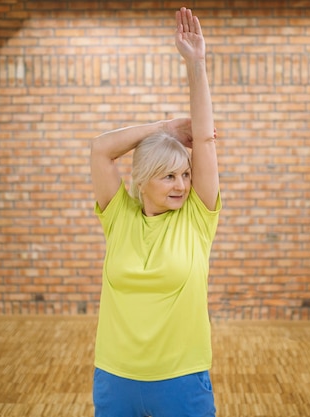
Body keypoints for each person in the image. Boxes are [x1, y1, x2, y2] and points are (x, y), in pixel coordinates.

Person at [89, 6, 220, 417]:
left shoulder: (197, 219)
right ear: (142, 180)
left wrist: (195, 64)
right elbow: (100, 149)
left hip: (181, 379)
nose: (181, 185)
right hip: (115, 376)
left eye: (184, 174)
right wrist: (162, 127)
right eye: (168, 177)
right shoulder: (120, 217)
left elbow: (205, 139)